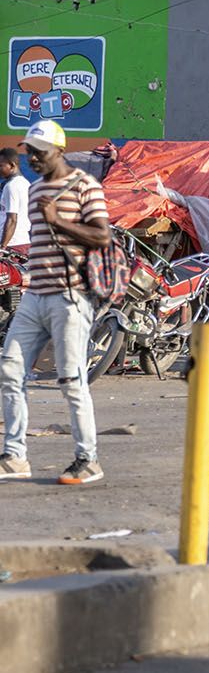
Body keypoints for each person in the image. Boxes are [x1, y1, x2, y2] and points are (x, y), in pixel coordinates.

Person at [0, 120, 111, 484]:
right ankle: (16, 456)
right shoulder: (33, 191)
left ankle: (88, 459)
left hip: (71, 295)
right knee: (10, 370)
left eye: (39, 152)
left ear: (59, 151)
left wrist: (56, 221)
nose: (32, 158)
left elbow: (101, 235)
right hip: (35, 296)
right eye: (28, 151)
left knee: (71, 380)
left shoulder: (85, 186)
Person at [0, 147, 30, 257]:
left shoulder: (11, 186)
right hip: (22, 243)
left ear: (12, 165)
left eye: (0, 166)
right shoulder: (25, 183)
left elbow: (12, 219)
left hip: (12, 245)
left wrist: (2, 248)